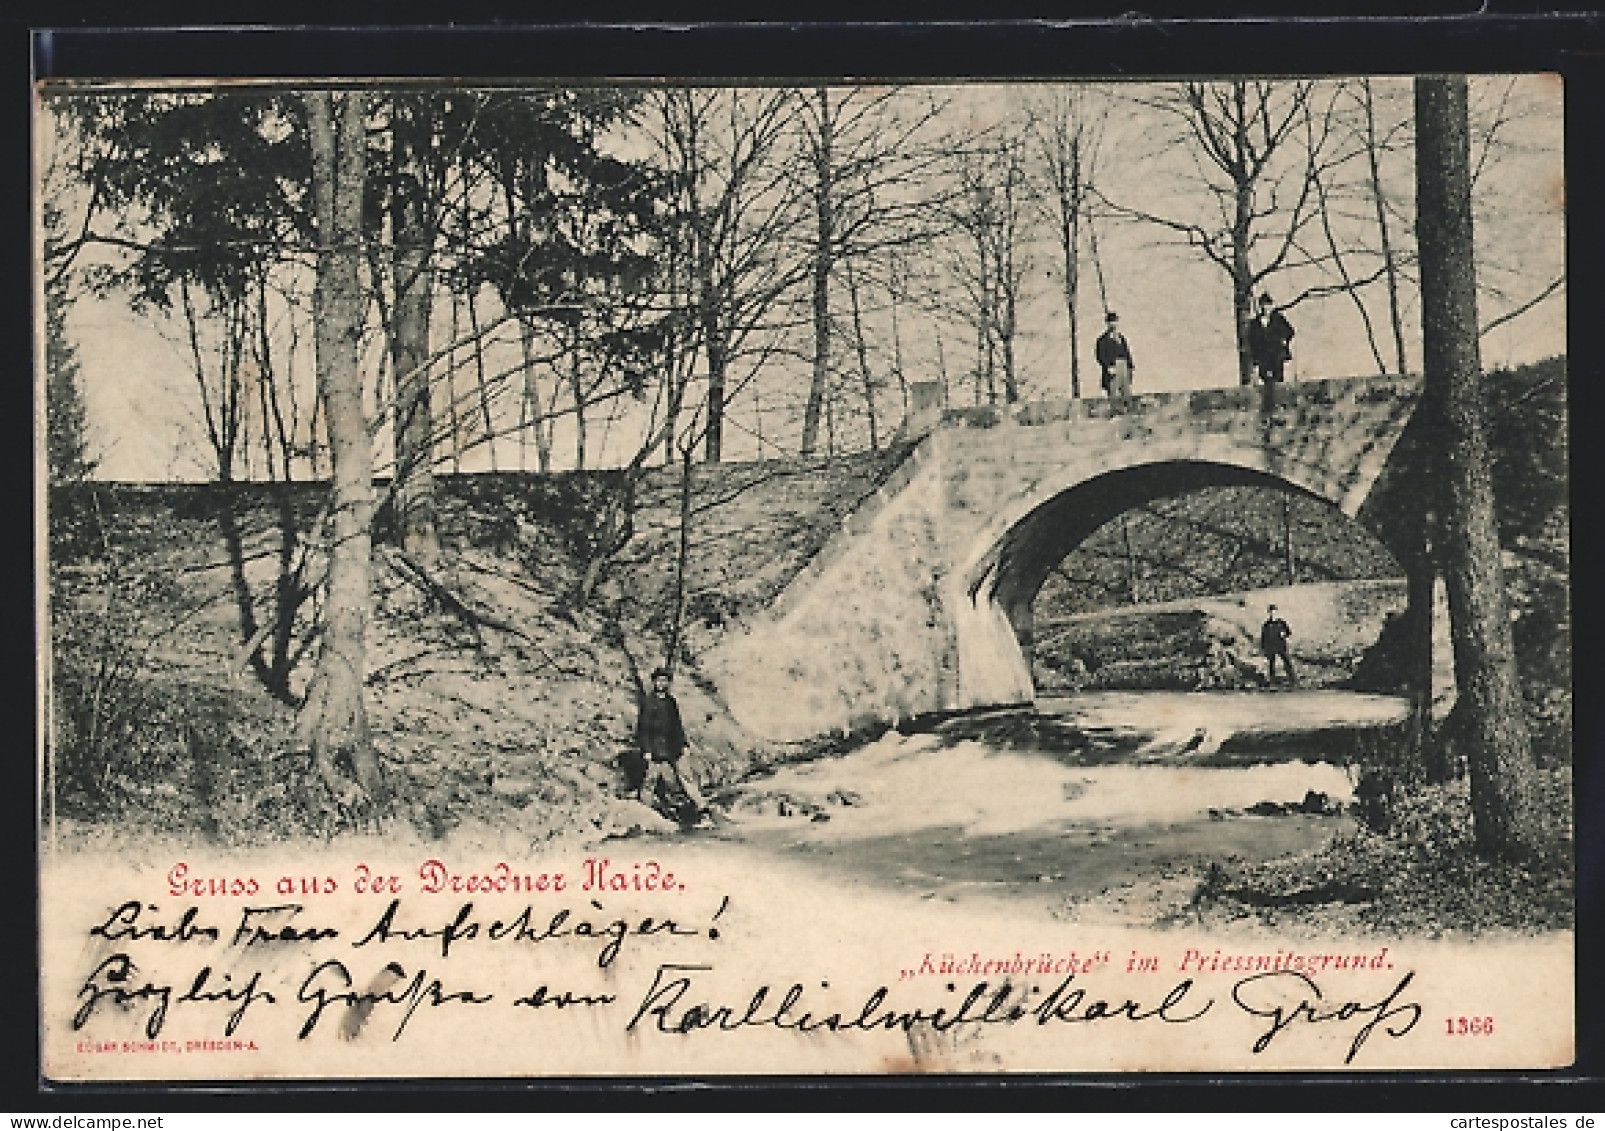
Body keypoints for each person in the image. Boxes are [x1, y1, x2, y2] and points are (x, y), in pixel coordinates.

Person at [634, 666, 708, 816]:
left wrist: (684, 744)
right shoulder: (648, 702)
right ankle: (644, 811)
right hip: (655, 746)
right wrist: (647, 750)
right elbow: (643, 729)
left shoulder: (671, 701)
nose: (661, 684)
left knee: (686, 775)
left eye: (665, 681)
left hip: (673, 746)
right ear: (654, 682)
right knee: (650, 779)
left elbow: (677, 725)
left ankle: (701, 804)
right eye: (659, 680)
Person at [1246, 293, 1296, 392]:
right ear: (1260, 306)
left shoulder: (1278, 319)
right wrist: (1255, 357)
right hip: (1263, 355)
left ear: (1271, 306)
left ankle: (1279, 396)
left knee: (1278, 376)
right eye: (1263, 305)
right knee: (1264, 376)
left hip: (1276, 352)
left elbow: (1290, 331)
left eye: (1268, 305)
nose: (1266, 308)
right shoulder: (1255, 323)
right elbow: (1251, 340)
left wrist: (1284, 341)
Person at [1095, 311, 1134, 398]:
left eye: (1115, 321)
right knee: (1114, 395)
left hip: (1123, 367)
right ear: (1107, 324)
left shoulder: (1121, 338)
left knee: (1127, 394)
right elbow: (1100, 356)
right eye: (1110, 322)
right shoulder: (1102, 340)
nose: (1113, 324)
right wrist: (1108, 366)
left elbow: (1127, 353)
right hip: (1112, 369)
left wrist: (1130, 367)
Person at [1260, 604, 1296, 686]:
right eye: (1271, 612)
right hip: (1271, 646)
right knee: (1271, 664)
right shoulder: (1267, 625)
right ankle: (1272, 681)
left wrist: (1284, 634)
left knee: (1287, 661)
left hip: (1280, 645)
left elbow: (1289, 632)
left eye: (1274, 612)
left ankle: (1293, 680)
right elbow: (1263, 637)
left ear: (1277, 612)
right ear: (1269, 613)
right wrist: (1264, 648)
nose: (1273, 613)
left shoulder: (1281, 623)